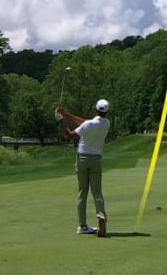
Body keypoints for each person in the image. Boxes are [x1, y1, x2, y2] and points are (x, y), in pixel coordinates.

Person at [56, 99, 112, 236]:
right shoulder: (106, 124)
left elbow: (70, 135)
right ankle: (101, 216)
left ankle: (82, 226)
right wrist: (67, 114)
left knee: (83, 193)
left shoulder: (89, 124)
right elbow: (84, 123)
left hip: (82, 159)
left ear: (96, 109)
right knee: (97, 192)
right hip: (96, 160)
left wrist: (60, 120)